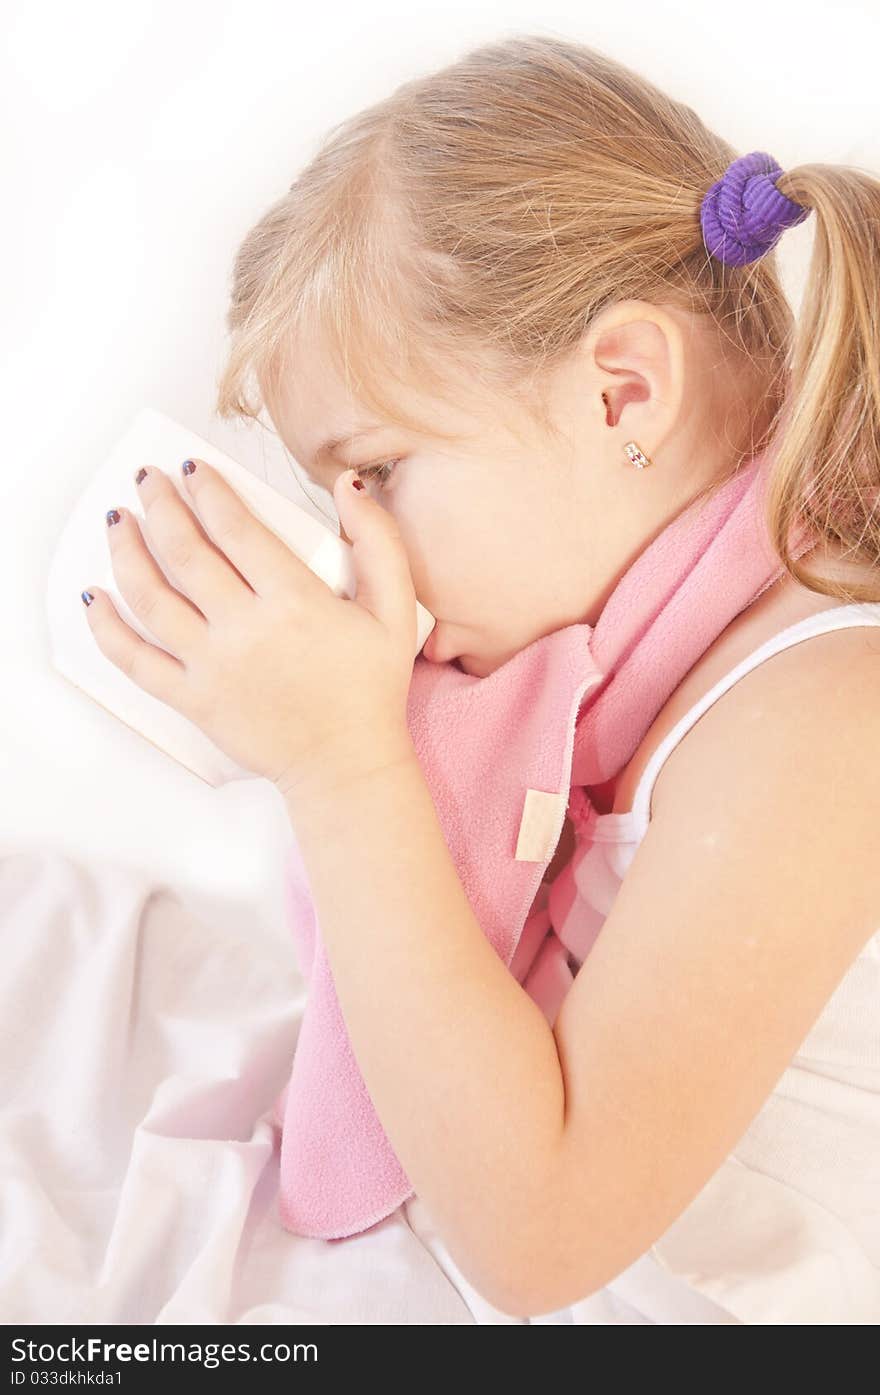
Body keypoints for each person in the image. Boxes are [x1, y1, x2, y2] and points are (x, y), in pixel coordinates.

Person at [215, 35, 880, 1322]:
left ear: (622, 393)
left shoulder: (824, 714)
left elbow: (539, 1239)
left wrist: (348, 774)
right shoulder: (628, 683)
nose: (366, 555)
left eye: (379, 473)